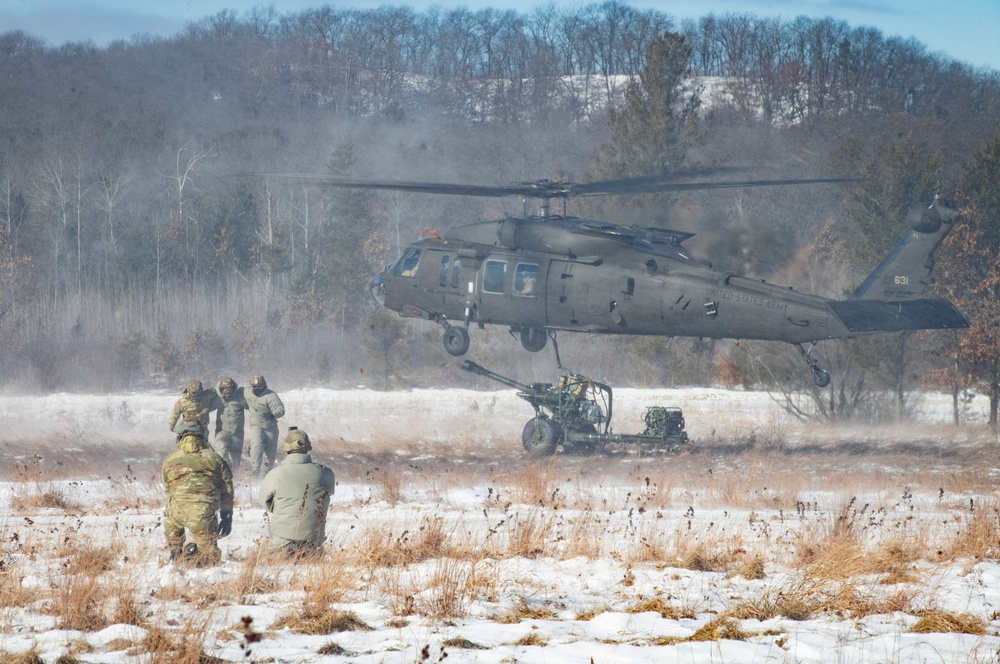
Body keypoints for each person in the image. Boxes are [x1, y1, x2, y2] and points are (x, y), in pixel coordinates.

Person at [160, 423, 234, 567]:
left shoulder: (169, 459)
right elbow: (227, 490)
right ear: (203, 437)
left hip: (175, 512)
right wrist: (227, 517)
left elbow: (167, 488)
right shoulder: (215, 458)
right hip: (203, 513)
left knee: (175, 552)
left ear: (180, 437)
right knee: (210, 560)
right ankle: (197, 558)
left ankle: (176, 555)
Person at [258, 427, 335, 557]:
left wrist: (282, 508)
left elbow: (264, 501)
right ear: (308, 446)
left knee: (267, 566)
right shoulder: (325, 473)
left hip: (282, 538)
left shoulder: (276, 474)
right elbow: (328, 493)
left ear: (287, 447)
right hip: (314, 537)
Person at [243, 374, 285, 478]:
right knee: (256, 449)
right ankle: (254, 475)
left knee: (269, 454)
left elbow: (281, 410)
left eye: (259, 387)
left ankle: (265, 477)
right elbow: (233, 390)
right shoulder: (247, 392)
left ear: (264, 386)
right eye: (254, 387)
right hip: (256, 426)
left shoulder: (271, 396)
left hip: (270, 427)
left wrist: (272, 414)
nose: (256, 389)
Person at [212, 376, 247, 471]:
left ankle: (235, 477)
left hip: (237, 433)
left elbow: (253, 406)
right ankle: (223, 474)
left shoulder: (240, 398)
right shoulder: (217, 399)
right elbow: (205, 407)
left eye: (229, 389)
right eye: (224, 389)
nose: (227, 391)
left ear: (233, 388)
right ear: (221, 389)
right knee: (221, 454)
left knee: (236, 459)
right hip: (222, 432)